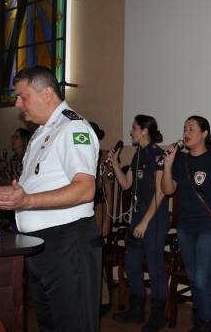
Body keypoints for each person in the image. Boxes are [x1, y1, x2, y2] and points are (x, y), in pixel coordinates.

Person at [0, 65, 102, 332]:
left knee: (72, 325)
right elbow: (27, 188)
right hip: (40, 244)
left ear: (47, 93)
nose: (18, 103)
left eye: (22, 96)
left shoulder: (72, 127)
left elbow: (85, 189)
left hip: (67, 243)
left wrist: (26, 203)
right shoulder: (42, 132)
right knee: (49, 324)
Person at [161, 115, 211, 332]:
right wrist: (168, 163)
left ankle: (205, 325)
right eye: (184, 129)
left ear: (204, 133)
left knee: (202, 280)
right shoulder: (181, 161)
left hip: (208, 229)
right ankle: (200, 319)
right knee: (193, 278)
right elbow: (167, 190)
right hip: (185, 229)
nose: (186, 133)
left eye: (191, 129)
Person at [110, 115, 171, 332]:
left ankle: (157, 316)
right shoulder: (138, 154)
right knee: (132, 264)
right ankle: (136, 311)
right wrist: (115, 163)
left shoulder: (157, 155)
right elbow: (126, 184)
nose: (130, 132)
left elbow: (161, 192)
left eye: (134, 128)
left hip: (154, 216)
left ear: (144, 130)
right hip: (138, 214)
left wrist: (145, 222)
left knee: (155, 267)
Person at [89, 121, 114, 318]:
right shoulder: (76, 152)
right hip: (79, 209)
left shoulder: (105, 158)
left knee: (96, 254)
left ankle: (103, 298)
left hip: (98, 207)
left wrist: (107, 220)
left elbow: (109, 191)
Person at [0, 127, 32, 233]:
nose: (12, 140)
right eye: (12, 137)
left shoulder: (29, 158)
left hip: (25, 198)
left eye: (16, 137)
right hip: (11, 198)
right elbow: (7, 181)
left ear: (23, 140)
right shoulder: (12, 159)